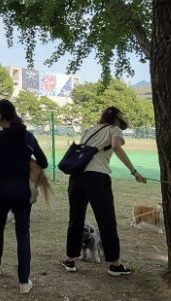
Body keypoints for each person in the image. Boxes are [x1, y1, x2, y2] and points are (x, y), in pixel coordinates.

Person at [62, 107, 145, 276]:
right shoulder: (114, 129)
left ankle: (70, 260)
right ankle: (115, 265)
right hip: (97, 179)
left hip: (77, 178)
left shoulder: (90, 130)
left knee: (76, 219)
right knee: (106, 220)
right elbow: (116, 146)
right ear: (117, 119)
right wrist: (134, 171)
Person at [0, 99, 48, 294]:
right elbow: (44, 161)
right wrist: (26, 162)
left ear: (0, 116)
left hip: (1, 190)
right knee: (23, 234)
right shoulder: (28, 137)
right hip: (22, 192)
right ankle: (23, 281)